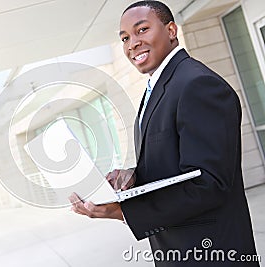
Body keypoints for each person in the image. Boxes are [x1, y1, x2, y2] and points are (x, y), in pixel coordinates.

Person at [69, 1, 259, 266]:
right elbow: (174, 164)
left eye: (142, 30)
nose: (132, 43)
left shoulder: (197, 84)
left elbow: (209, 184)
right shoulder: (161, 87)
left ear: (171, 30)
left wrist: (123, 211)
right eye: (125, 38)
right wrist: (134, 178)